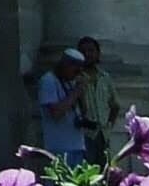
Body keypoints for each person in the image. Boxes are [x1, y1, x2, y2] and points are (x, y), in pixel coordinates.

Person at [37, 47, 90, 165]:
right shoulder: (48, 81)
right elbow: (56, 113)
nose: (76, 74)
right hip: (58, 147)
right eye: (75, 70)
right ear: (65, 65)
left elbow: (84, 111)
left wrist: (81, 92)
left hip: (77, 145)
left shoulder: (72, 82)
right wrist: (76, 91)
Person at [75, 36, 118, 167]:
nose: (88, 54)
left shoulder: (105, 77)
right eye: (84, 51)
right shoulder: (76, 78)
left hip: (103, 134)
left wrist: (109, 125)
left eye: (91, 50)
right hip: (84, 134)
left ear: (97, 53)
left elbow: (115, 105)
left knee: (104, 172)